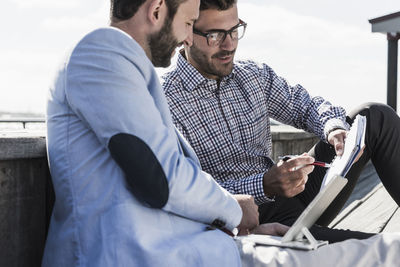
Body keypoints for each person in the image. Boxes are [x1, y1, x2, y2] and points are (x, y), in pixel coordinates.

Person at [162, 0, 400, 243]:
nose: (229, 44)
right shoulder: (165, 102)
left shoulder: (254, 75)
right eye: (215, 35)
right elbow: (186, 192)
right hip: (253, 222)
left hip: (295, 191)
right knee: (378, 249)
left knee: (374, 115)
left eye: (234, 30)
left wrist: (333, 128)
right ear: (186, 33)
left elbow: (305, 105)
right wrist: (264, 185)